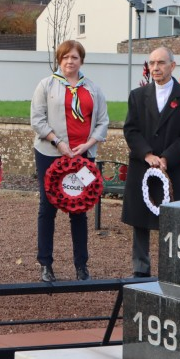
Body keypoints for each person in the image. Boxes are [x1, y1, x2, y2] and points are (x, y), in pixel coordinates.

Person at [30, 40, 109, 282]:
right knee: (48, 207)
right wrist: (58, 143)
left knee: (79, 209)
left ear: (81, 60)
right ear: (59, 60)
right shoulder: (46, 85)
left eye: (74, 57)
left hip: (82, 157)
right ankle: (46, 264)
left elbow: (103, 121)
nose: (69, 61)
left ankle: (81, 266)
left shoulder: (93, 89)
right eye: (65, 57)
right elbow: (37, 119)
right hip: (51, 155)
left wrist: (88, 143)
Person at [122, 47, 180, 277]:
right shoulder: (137, 96)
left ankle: (170, 268)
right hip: (142, 165)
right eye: (152, 63)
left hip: (170, 167)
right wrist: (147, 154)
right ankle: (140, 269)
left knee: (171, 220)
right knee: (140, 220)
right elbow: (131, 130)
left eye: (161, 63)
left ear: (172, 66)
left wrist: (166, 157)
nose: (155, 68)